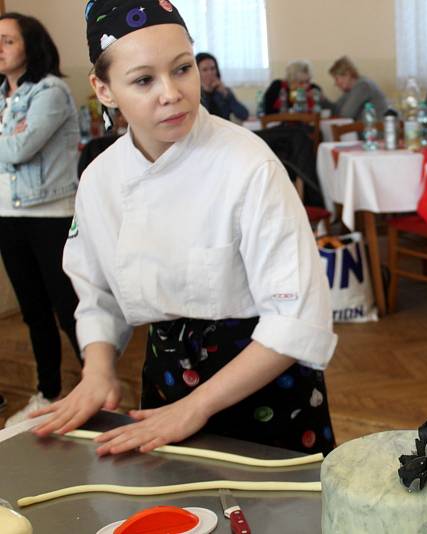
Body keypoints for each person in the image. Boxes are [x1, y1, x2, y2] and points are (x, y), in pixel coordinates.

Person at [31, 0, 337, 457]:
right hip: (168, 380)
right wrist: (97, 370)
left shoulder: (247, 164)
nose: (171, 92)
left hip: (264, 382)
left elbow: (294, 316)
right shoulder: (100, 178)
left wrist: (198, 407)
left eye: (182, 69)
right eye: (143, 80)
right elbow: (95, 293)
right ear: (104, 89)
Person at [0, 13, 82, 427]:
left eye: (7, 41)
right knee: (33, 311)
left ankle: (97, 391)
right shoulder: (3, 95)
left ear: (30, 46)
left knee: (68, 307)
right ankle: (48, 391)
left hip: (50, 215)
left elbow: (18, 150)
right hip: (8, 216)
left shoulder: (50, 91)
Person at [261, 60, 332, 116]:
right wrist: (296, 95)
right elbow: (267, 111)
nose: (305, 86)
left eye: (308, 81)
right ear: (290, 80)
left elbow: (327, 111)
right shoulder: (277, 86)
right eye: (301, 82)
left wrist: (322, 99)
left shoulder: (314, 88)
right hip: (280, 129)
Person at [328, 56, 388, 121]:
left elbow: (346, 114)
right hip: (368, 128)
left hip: (378, 129)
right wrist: (322, 99)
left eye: (336, 79)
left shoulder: (363, 86)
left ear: (347, 75)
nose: (335, 84)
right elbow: (335, 109)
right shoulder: (349, 90)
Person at [195, 52, 248, 122]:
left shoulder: (224, 91)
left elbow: (244, 115)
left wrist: (226, 94)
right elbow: (203, 119)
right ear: (197, 72)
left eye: (213, 68)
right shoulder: (195, 95)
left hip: (225, 131)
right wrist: (207, 91)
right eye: (205, 70)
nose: (210, 73)